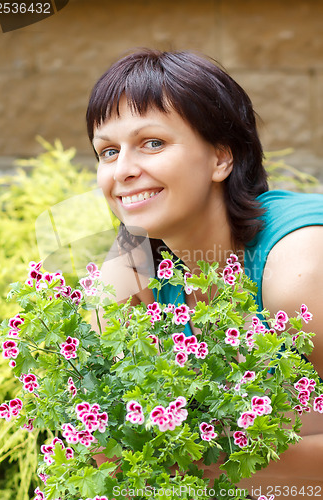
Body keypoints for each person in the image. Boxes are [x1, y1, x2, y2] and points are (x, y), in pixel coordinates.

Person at [86, 49, 323, 498]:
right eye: (108, 151)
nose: (124, 171)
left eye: (152, 143)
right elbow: (108, 446)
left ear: (220, 158)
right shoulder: (134, 266)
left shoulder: (298, 269)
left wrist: (197, 466)